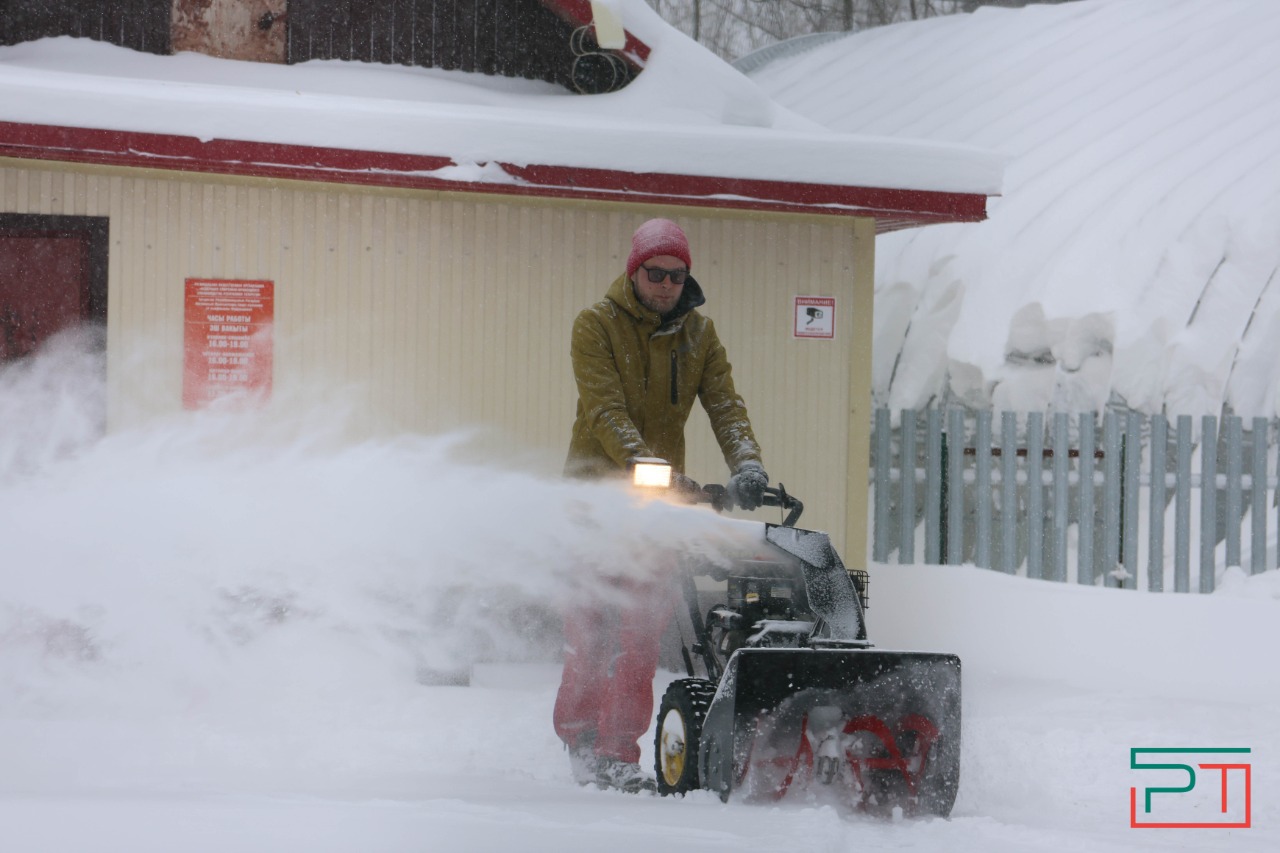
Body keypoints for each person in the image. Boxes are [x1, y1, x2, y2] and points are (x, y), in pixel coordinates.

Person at [554, 217, 769, 792]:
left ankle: (619, 754)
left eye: (677, 275)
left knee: (641, 637)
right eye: (656, 273)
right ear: (635, 269)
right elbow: (604, 412)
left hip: (653, 510)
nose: (667, 284)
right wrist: (646, 467)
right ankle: (580, 738)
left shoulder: (698, 335)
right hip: (595, 504)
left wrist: (746, 464)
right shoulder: (595, 325)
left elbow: (726, 406)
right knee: (594, 633)